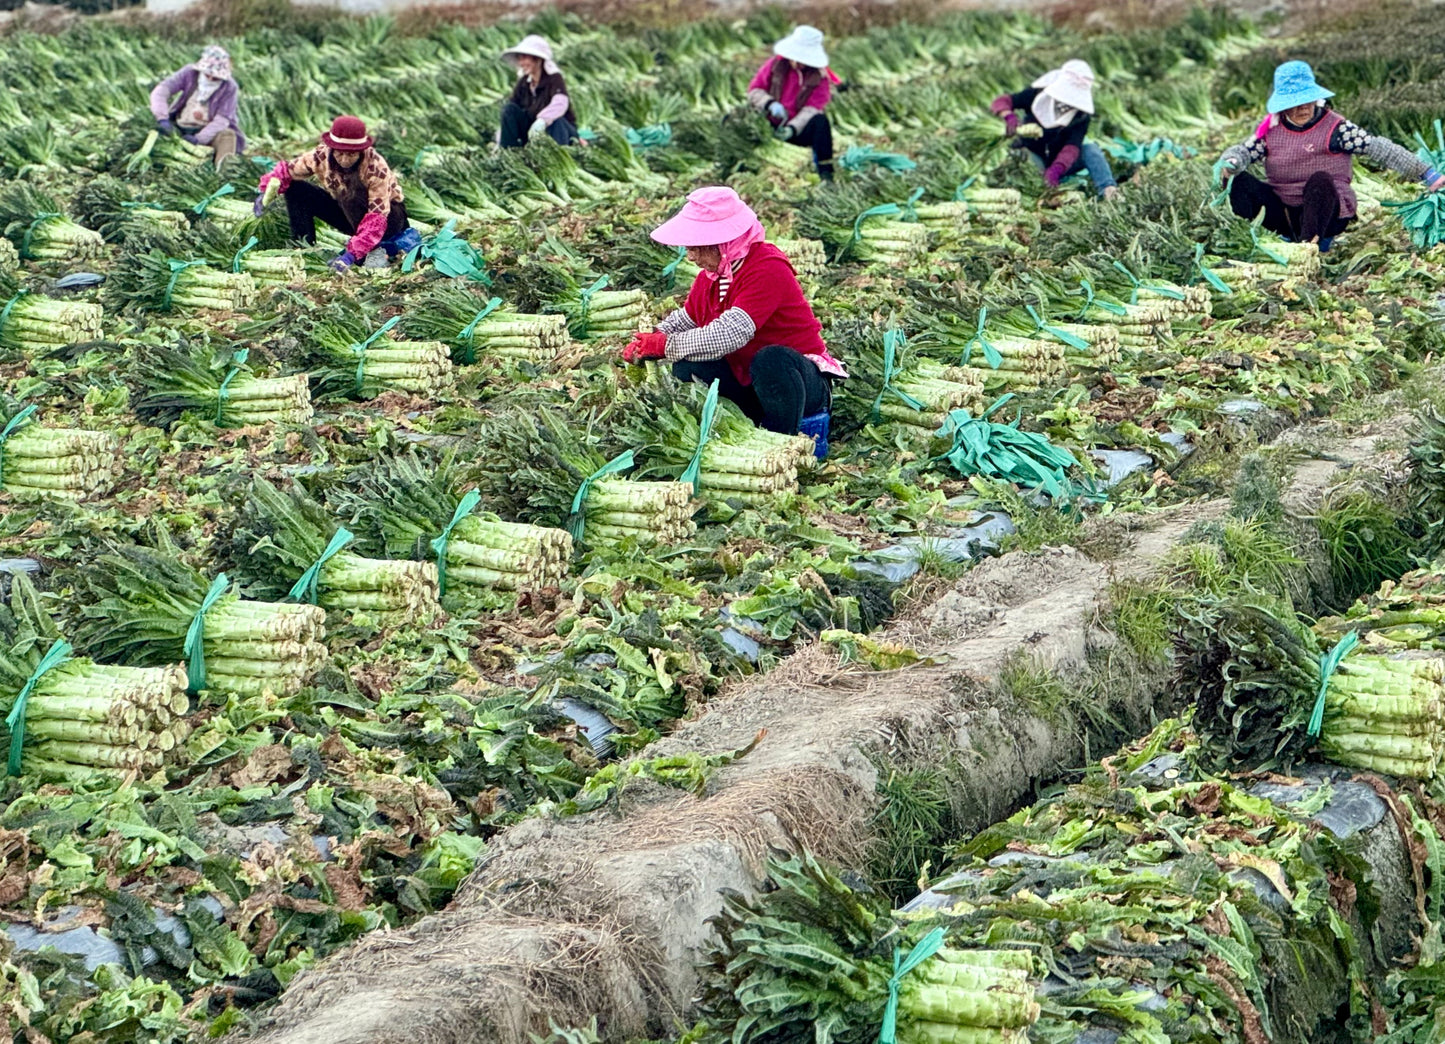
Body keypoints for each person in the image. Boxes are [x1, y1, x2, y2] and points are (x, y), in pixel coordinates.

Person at [622, 187, 846, 437]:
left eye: (697, 247)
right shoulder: (710, 279)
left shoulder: (767, 268)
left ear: (724, 244)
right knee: (688, 368)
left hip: (799, 382)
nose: (691, 256)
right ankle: (743, 430)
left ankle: (784, 440)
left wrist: (665, 345)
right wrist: (650, 339)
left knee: (771, 361)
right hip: (751, 381)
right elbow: (686, 320)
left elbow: (731, 333)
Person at [1217, 61, 1444, 251]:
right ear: (1283, 107)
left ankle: (1310, 246)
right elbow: (1244, 151)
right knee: (1236, 180)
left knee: (1320, 181)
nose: (1302, 108)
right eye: (1294, 103)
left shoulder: (1336, 129)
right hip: (1284, 213)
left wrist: (1426, 173)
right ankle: (1264, 239)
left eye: (1307, 101)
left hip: (1327, 214)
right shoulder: (1271, 130)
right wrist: (1231, 162)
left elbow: (1378, 148)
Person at [255, 116, 420, 274]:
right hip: (348, 213)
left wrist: (351, 254)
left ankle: (375, 250)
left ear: (361, 151)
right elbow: (288, 170)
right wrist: (266, 190)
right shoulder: (321, 156)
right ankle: (303, 248)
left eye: (351, 154)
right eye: (339, 153)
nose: (344, 159)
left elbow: (376, 217)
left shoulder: (375, 167)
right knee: (296, 189)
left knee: (355, 196)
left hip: (386, 221)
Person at [991, 60, 1119, 201]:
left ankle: (1108, 190)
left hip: (1063, 162)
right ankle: (1040, 193)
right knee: (1024, 163)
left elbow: (1072, 146)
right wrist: (1009, 116)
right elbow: (1002, 101)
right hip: (1035, 153)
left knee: (1091, 149)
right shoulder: (1038, 95)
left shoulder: (1081, 115)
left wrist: (1057, 169)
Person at [747, 25, 838, 182]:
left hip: (796, 130)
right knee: (735, 120)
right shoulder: (775, 66)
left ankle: (825, 173)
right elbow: (754, 91)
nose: (798, 63)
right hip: (767, 124)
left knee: (821, 122)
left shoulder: (820, 78)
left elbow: (812, 109)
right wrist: (770, 104)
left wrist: (792, 128)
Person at [149, 45, 244, 170]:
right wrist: (162, 118)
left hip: (208, 132)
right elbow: (161, 91)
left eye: (215, 78)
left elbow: (222, 120)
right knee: (153, 135)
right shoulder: (189, 73)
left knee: (228, 136)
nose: (210, 79)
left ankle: (224, 172)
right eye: (207, 75)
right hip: (180, 127)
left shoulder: (229, 87)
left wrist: (199, 139)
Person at [497, 35, 578, 148]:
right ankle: (509, 151)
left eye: (525, 58)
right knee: (509, 109)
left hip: (560, 133)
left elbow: (560, 103)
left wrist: (543, 120)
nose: (521, 63)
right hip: (533, 133)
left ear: (538, 59)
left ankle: (557, 155)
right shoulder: (524, 82)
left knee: (556, 120)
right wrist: (501, 136)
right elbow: (512, 106)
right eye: (520, 58)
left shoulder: (554, 78)